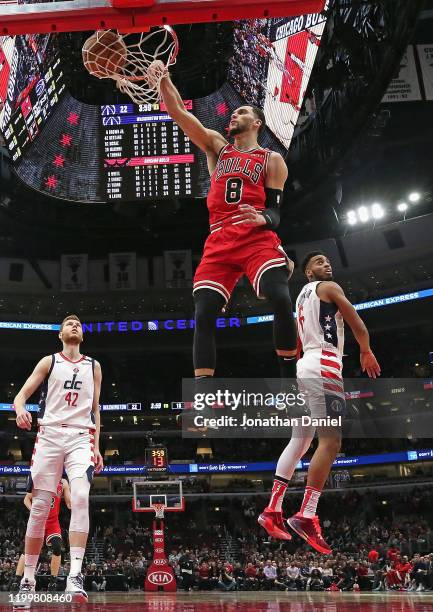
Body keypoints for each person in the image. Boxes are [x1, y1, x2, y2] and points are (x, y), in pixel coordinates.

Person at [148, 61, 298, 390]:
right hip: (219, 238)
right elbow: (178, 113)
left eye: (241, 112)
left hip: (256, 234)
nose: (234, 115)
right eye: (233, 113)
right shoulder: (217, 146)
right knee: (203, 313)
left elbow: (276, 211)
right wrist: (165, 79)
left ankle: (289, 380)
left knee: (281, 298)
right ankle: (205, 394)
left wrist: (263, 219)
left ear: (257, 122)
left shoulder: (271, 160)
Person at [259, 251, 381, 549]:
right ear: (309, 273)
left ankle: (272, 509)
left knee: (299, 441)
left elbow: (296, 343)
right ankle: (306, 514)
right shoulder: (329, 287)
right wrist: (366, 350)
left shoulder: (301, 298)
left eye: (328, 261)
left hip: (304, 366)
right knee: (331, 442)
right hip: (325, 364)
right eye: (319, 262)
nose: (327, 264)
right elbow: (357, 322)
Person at [13, 315, 103, 606]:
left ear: (83, 334)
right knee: (39, 506)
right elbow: (20, 396)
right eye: (68, 323)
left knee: (79, 495)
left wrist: (97, 446)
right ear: (61, 334)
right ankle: (28, 578)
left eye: (78, 323)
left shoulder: (94, 366)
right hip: (49, 435)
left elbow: (95, 410)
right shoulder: (48, 362)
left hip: (80, 437)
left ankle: (75, 576)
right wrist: (20, 410)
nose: (74, 325)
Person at [13, 478, 71, 593]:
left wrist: (77, 501)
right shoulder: (41, 477)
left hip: (52, 522)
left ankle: (53, 582)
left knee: (57, 547)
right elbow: (26, 499)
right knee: (27, 551)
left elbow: (69, 503)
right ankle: (16, 579)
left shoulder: (63, 482)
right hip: (38, 520)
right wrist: (33, 510)